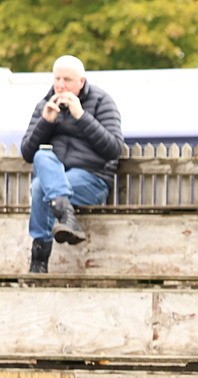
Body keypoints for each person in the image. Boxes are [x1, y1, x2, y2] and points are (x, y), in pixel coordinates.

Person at [19, 55, 124, 273]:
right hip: (57, 180)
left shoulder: (102, 102)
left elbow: (113, 149)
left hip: (92, 180)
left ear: (81, 82)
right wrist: (45, 122)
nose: (60, 85)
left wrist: (82, 116)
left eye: (67, 80)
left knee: (40, 187)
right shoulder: (45, 105)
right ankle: (65, 214)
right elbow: (27, 153)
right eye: (57, 79)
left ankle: (38, 263)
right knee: (41, 159)